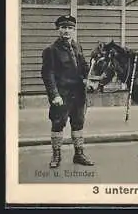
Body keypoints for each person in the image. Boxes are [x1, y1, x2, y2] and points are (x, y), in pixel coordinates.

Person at [41, 15, 94, 168]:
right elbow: (48, 75)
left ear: (74, 30)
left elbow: (84, 68)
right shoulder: (51, 50)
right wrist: (54, 95)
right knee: (58, 123)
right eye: (64, 27)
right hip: (62, 95)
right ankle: (56, 155)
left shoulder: (78, 47)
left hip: (78, 94)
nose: (67, 31)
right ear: (58, 29)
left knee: (78, 123)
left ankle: (79, 154)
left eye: (70, 28)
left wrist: (88, 79)